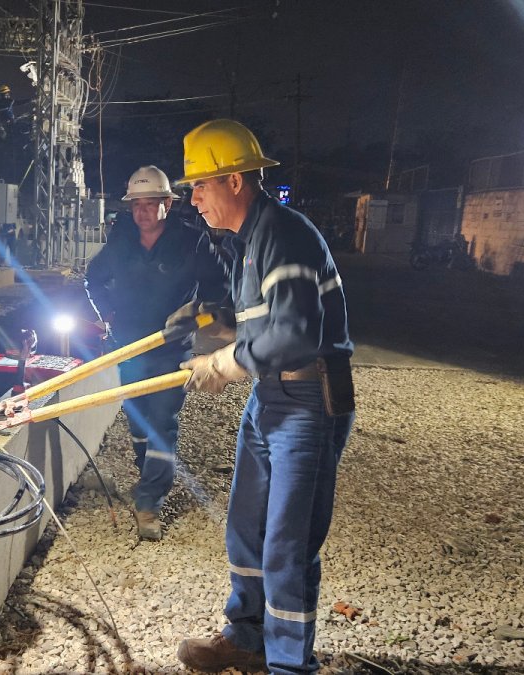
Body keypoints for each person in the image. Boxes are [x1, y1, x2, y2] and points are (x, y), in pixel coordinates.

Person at [169, 120, 355, 674]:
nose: (194, 198)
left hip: (307, 401)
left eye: (199, 185)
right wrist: (214, 320)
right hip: (270, 400)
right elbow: (263, 324)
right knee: (246, 528)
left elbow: (296, 332)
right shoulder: (248, 240)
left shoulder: (282, 232)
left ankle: (290, 666)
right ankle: (247, 638)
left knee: (286, 546)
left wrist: (224, 363)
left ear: (233, 181)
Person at [84, 165, 229, 541]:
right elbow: (93, 278)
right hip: (128, 346)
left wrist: (198, 314)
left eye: (150, 204)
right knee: (137, 424)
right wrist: (105, 315)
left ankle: (149, 501)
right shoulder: (122, 239)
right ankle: (146, 475)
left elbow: (222, 288)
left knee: (162, 422)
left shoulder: (192, 242)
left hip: (171, 349)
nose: (142, 212)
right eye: (136, 205)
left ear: (168, 203)